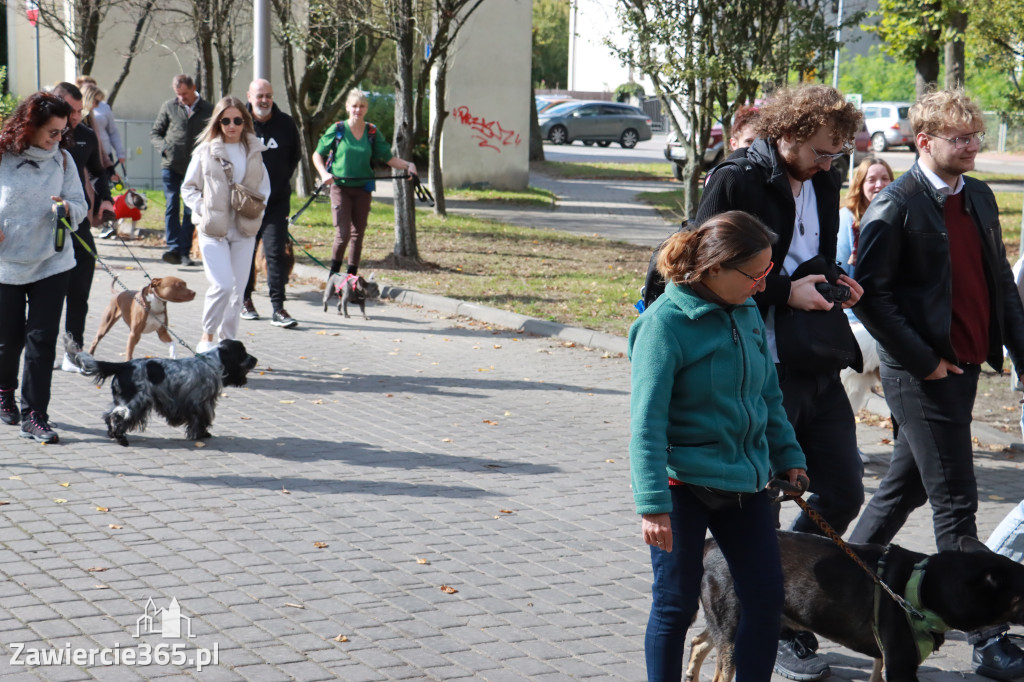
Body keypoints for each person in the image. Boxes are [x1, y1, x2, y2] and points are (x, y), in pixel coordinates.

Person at [848, 88, 1024, 680]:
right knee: (956, 508)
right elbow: (871, 296)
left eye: (976, 134)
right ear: (924, 142)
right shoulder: (893, 206)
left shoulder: (977, 195)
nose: (973, 145)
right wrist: (924, 362)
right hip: (924, 374)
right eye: (960, 137)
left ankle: (827, 589)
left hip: (967, 366)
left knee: (903, 490)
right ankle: (989, 639)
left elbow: (1001, 282)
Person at [693, 84, 864, 681]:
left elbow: (809, 254)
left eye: (838, 152)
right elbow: (699, 264)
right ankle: (763, 619)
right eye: (821, 150)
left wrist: (836, 279)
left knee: (842, 489)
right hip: (756, 361)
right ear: (788, 134)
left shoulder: (821, 178)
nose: (830, 163)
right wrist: (782, 290)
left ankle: (782, 586)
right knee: (757, 504)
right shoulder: (737, 179)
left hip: (814, 358)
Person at [629, 210, 808, 682]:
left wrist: (788, 455)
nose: (763, 284)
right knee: (675, 605)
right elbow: (645, 425)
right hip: (681, 486)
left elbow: (767, 394)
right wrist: (652, 505)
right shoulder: (665, 326)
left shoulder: (747, 310)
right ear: (713, 269)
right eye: (755, 274)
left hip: (746, 483)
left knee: (766, 601)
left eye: (768, 272)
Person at [0, 92, 88, 443]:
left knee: (42, 340)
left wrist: (67, 209)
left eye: (62, 132)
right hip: (6, 265)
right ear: (30, 126)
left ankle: (35, 415)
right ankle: (4, 390)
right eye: (52, 131)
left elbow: (80, 205)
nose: (58, 138)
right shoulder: (3, 157)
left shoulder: (63, 161)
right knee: (8, 342)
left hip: (52, 263)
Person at [181, 96, 270, 352]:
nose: (232, 125)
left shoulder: (254, 151)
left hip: (244, 229)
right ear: (218, 122)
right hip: (213, 230)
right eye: (226, 120)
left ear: (245, 122)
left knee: (237, 291)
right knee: (222, 285)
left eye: (237, 120)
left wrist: (258, 213)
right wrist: (204, 210)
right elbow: (188, 188)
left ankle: (226, 342)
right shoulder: (205, 151)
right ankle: (207, 336)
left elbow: (264, 188)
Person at [312, 88, 417, 279]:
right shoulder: (338, 129)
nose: (357, 110)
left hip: (363, 189)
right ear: (347, 107)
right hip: (340, 187)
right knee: (343, 234)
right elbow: (317, 154)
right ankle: (333, 278)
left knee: (357, 235)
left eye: (361, 106)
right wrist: (323, 173)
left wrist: (408, 165)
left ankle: (351, 279)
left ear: (366, 108)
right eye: (354, 106)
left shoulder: (371, 131)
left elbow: (388, 158)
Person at [50, 82, 114, 373]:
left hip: (77, 221)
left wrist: (106, 201)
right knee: (47, 294)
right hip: (44, 226)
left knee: (80, 287)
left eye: (79, 111)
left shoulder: (86, 136)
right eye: (70, 110)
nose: (75, 117)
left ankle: (73, 353)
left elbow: (100, 173)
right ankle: (39, 350)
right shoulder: (42, 134)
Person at [240, 78, 301, 329]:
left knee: (275, 253)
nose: (264, 100)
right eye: (259, 96)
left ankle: (278, 308)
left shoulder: (286, 124)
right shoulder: (238, 122)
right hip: (246, 201)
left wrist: (276, 183)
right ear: (249, 96)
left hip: (276, 202)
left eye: (268, 95)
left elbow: (294, 156)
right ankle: (245, 301)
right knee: (245, 252)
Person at [151, 74, 214, 267]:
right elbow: (155, 133)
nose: (182, 98)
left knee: (190, 209)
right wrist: (164, 148)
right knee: (172, 204)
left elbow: (213, 134)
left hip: (195, 169)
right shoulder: (169, 106)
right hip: (171, 165)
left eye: (185, 94)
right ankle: (173, 248)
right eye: (178, 94)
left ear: (193, 88)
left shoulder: (208, 109)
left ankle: (185, 251)